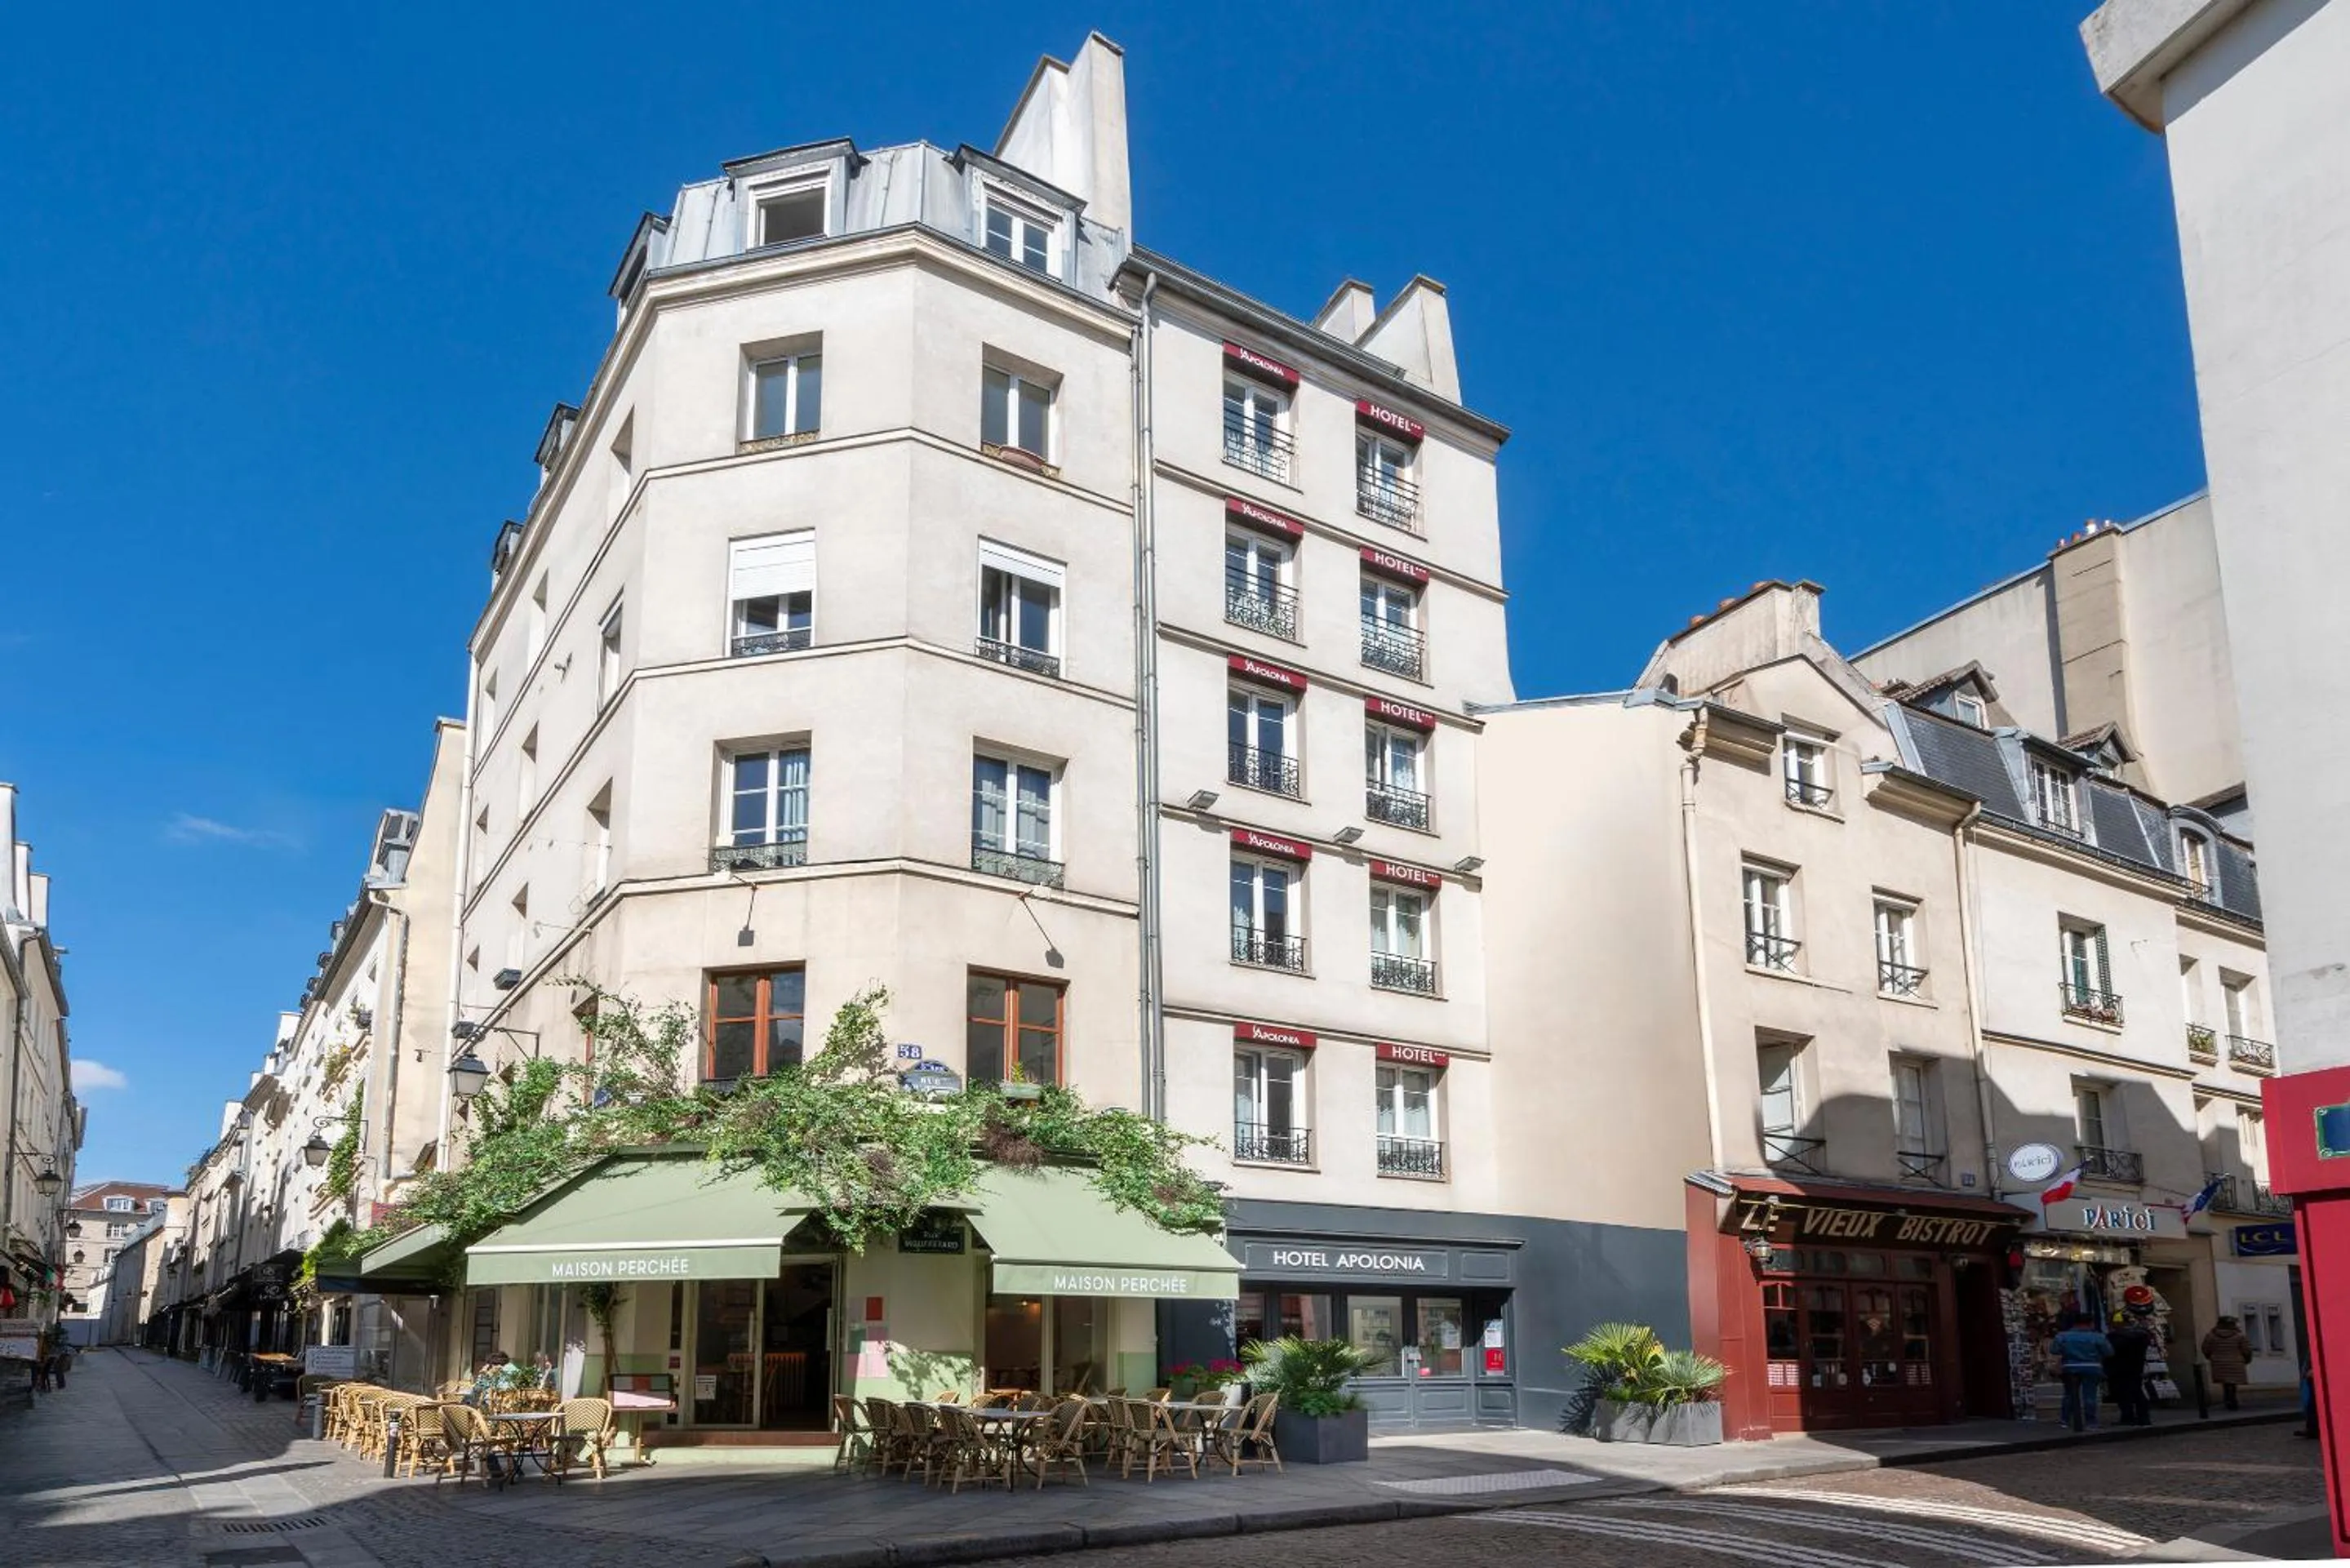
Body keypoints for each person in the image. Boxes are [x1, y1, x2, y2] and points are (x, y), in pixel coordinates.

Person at [2050, 1311, 2113, 1433]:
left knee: (2069, 1394)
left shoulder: (2062, 1336)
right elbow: (2109, 1352)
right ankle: (2091, 1422)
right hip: (2092, 1367)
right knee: (2090, 1395)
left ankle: (2065, 1420)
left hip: (2070, 1366)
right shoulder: (2098, 1337)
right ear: (2090, 1323)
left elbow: (2054, 1350)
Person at [2107, 1313, 2152, 1427]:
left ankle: (2128, 1417)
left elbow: (2109, 1352)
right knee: (2137, 1392)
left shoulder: (2115, 1337)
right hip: (2136, 1368)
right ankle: (2143, 1417)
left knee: (2122, 1394)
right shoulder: (2142, 1335)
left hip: (2118, 1369)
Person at [2202, 1317, 2253, 1410]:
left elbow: (2206, 1349)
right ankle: (2232, 1400)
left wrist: (2211, 1357)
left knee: (2225, 1382)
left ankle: (2228, 1400)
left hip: (2218, 1362)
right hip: (2235, 1362)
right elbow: (2247, 1350)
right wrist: (2247, 1359)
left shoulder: (2211, 1336)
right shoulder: (2240, 1336)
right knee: (2232, 1383)